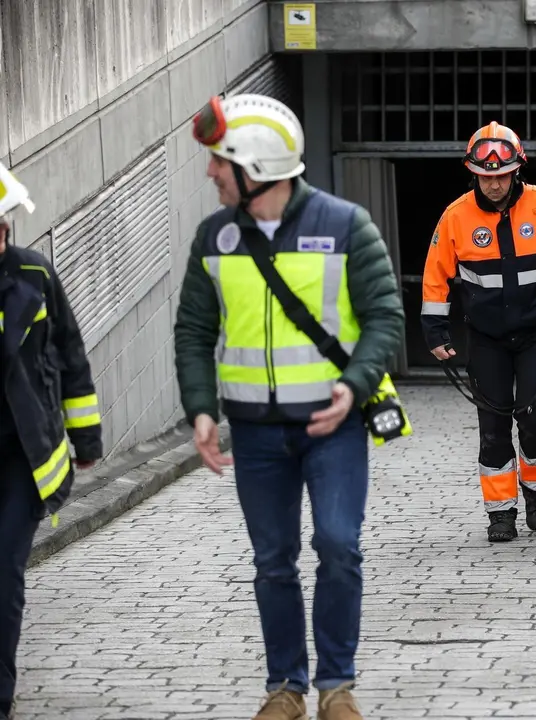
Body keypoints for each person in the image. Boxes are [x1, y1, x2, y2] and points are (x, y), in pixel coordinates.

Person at [174, 93, 406, 720]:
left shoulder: (347, 224)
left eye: (220, 162)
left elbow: (386, 318)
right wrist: (200, 406)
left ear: (256, 168)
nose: (210, 172)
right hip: (254, 433)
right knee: (273, 561)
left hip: (333, 428)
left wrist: (355, 385)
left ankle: (336, 686)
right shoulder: (213, 237)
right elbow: (194, 330)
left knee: (338, 544)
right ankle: (286, 688)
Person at [420, 121, 536, 542]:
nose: (494, 184)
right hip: (486, 339)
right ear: (473, 173)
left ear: (517, 170)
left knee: (535, 420)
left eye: (501, 175)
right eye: (485, 176)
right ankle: (501, 512)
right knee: (493, 426)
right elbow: (435, 277)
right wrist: (436, 332)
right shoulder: (456, 216)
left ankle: (535, 491)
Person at [0, 163, 102, 720]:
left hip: (24, 454)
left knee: (4, 572)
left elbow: (70, 355)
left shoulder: (35, 276)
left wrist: (85, 438)